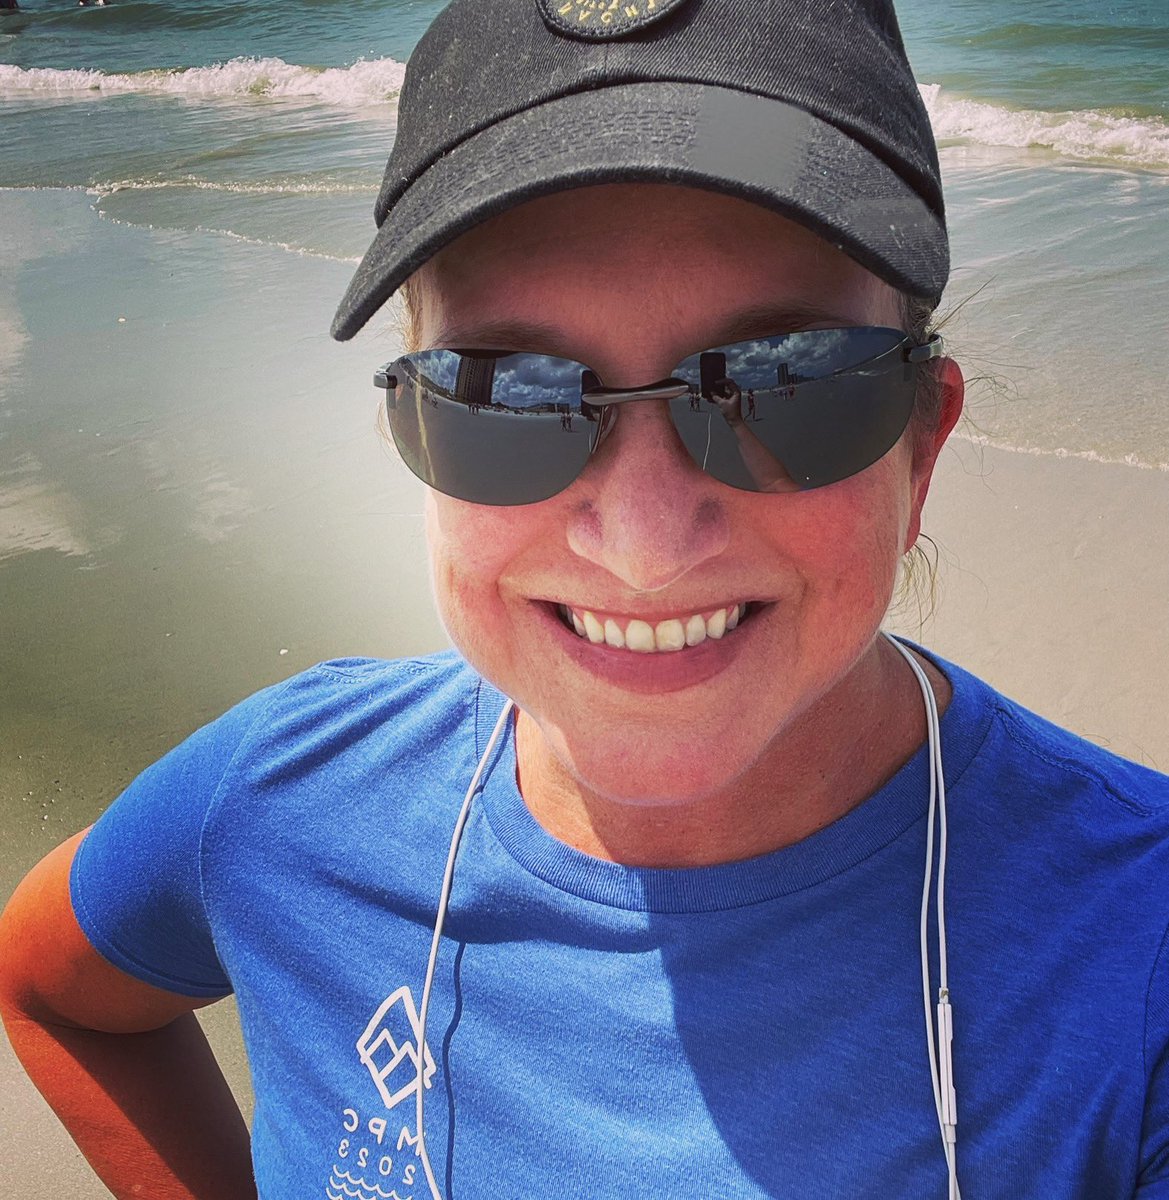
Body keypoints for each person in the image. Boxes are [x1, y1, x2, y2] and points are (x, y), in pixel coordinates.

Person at [2, 1, 1169, 1198]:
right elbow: (52, 991)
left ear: (919, 447)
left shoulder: (1136, 960)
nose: (644, 547)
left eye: (786, 385)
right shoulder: (278, 800)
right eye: (503, 395)